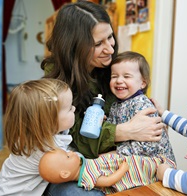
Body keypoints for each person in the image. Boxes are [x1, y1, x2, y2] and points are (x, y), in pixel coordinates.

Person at [41, 2, 165, 195]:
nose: (109, 48)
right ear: (74, 47)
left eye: (110, 37)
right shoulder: (56, 83)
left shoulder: (115, 68)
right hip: (77, 160)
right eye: (98, 44)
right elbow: (73, 137)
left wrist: (151, 117)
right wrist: (126, 130)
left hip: (120, 158)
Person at [0, 79, 76, 196]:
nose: (74, 108)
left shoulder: (31, 135)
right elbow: (73, 170)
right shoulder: (46, 149)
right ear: (49, 122)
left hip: (0, 189)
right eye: (69, 108)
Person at [107, 51, 175, 162]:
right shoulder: (115, 105)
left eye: (126, 76)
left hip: (156, 165)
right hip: (132, 161)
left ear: (142, 83)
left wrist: (116, 153)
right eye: (114, 76)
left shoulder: (143, 106)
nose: (119, 80)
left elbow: (148, 146)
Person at [39, 148, 176, 194]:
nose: (71, 152)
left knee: (141, 162)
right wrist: (122, 170)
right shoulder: (86, 177)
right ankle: (166, 173)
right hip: (124, 174)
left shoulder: (80, 166)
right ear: (65, 174)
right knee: (142, 171)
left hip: (117, 163)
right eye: (68, 156)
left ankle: (163, 168)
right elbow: (107, 181)